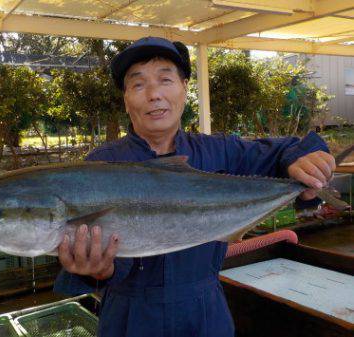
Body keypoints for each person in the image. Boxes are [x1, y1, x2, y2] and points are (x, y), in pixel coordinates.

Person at [54, 37, 335, 337]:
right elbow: (97, 259)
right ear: (125, 99)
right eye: (138, 85)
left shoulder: (220, 151)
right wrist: (100, 271)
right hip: (130, 318)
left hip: (205, 315)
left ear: (185, 88)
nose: (154, 94)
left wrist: (304, 162)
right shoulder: (101, 166)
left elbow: (291, 148)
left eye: (165, 79)